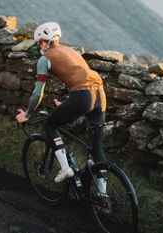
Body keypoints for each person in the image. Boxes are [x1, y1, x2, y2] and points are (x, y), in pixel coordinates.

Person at [15, 22, 107, 191]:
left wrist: (27, 114)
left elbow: (37, 93)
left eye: (40, 42)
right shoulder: (72, 51)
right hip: (100, 95)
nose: (40, 46)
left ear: (46, 41)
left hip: (82, 96)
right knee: (96, 147)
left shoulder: (45, 58)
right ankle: (103, 195)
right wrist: (67, 103)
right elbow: (81, 78)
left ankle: (66, 169)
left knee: (50, 125)